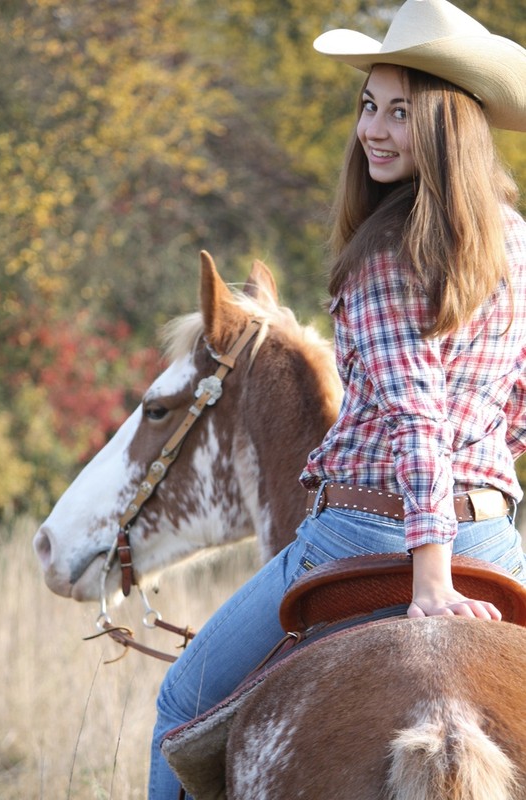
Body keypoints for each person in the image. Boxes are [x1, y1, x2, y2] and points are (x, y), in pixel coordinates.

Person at [149, 0, 526, 796]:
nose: (375, 130)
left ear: (446, 125)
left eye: (401, 112)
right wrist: (480, 474)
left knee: (180, 697)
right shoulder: (515, 242)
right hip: (492, 538)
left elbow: (413, 417)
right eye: (369, 105)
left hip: (364, 532)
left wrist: (429, 579)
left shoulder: (385, 257)